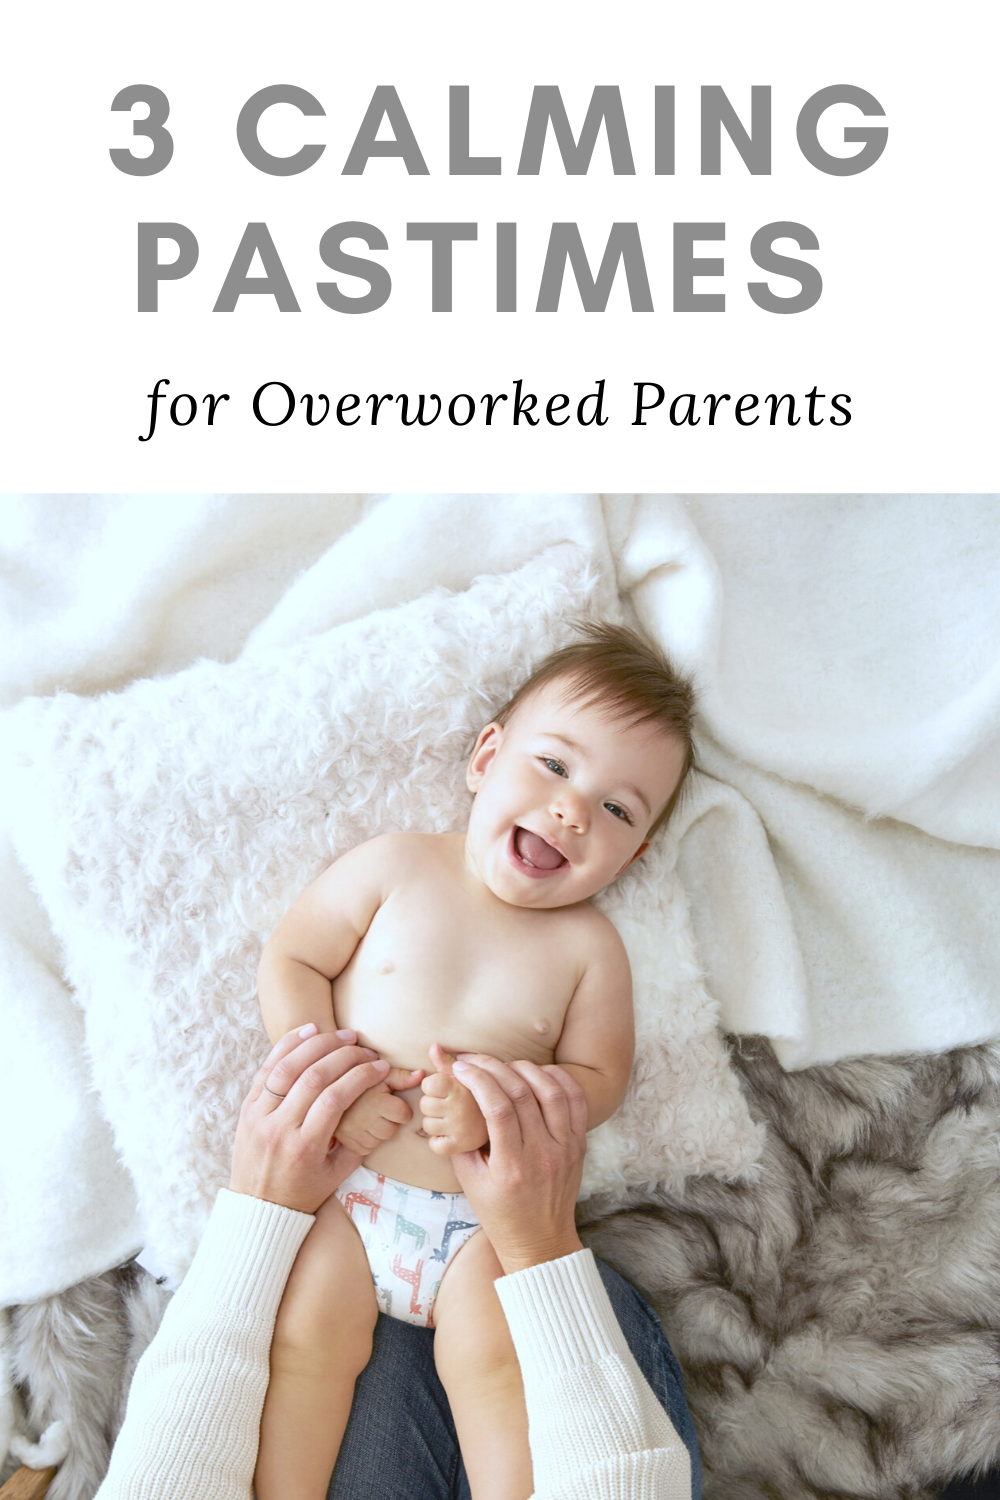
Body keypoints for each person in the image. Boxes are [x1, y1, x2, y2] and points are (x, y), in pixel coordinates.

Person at [253, 623, 696, 1499]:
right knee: (305, 1347)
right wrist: (331, 1081)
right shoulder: (396, 868)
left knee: (497, 1368)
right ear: (486, 757)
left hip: (480, 1230)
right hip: (349, 1191)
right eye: (557, 767)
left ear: (634, 857)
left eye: (617, 810)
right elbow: (293, 959)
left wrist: (499, 1106)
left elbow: (600, 1079)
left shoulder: (590, 949)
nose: (574, 810)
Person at [95, 1025, 699, 1500]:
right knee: (542, 1330)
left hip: (362, 1226)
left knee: (311, 1347)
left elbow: (167, 1464)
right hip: (470, 1240)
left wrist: (260, 1207)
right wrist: (541, 1250)